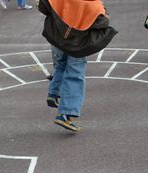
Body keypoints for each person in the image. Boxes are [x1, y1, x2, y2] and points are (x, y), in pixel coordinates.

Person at [37, 0, 117, 132]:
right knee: (75, 74)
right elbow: (101, 22)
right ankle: (65, 114)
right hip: (77, 42)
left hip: (56, 36)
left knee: (61, 64)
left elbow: (43, 6)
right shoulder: (93, 4)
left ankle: (54, 91)